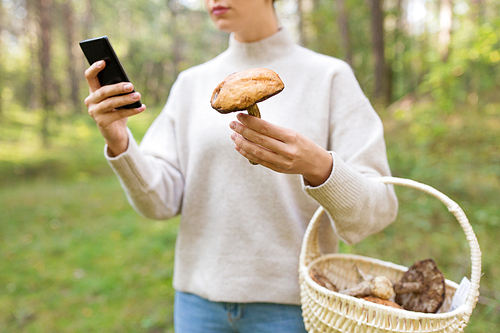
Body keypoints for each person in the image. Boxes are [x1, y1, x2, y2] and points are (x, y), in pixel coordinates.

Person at [84, 0, 398, 331]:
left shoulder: (330, 77)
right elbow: (160, 203)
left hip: (294, 307)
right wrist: (120, 141)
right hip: (197, 305)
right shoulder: (191, 83)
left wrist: (319, 167)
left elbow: (379, 211)